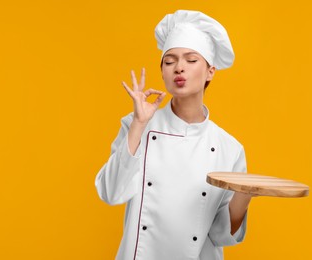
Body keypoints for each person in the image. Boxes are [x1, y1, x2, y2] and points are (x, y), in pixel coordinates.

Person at [95, 9, 252, 260]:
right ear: (163, 72)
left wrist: (245, 195)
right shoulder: (136, 124)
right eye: (169, 61)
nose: (179, 68)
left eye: (191, 60)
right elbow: (111, 193)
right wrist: (138, 123)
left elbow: (221, 234)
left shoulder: (229, 148)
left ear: (210, 71)